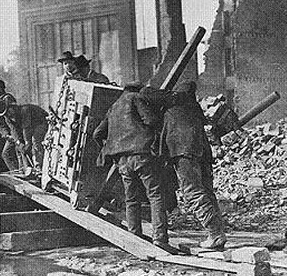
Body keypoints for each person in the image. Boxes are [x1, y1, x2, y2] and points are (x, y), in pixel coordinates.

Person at [92, 82, 177, 253]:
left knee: (131, 199)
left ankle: (134, 236)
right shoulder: (137, 98)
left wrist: (110, 147)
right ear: (137, 90)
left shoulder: (114, 107)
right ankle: (159, 238)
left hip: (122, 161)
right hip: (141, 155)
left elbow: (97, 133)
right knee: (155, 195)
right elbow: (151, 120)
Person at [160, 80, 226, 249]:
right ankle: (218, 232)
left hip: (185, 153)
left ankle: (214, 233)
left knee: (192, 192)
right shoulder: (194, 108)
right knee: (207, 192)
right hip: (202, 153)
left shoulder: (172, 109)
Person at [0, 101, 48, 171]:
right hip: (29, 127)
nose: (8, 114)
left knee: (36, 142)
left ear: (11, 107)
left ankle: (39, 168)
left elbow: (26, 128)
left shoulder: (25, 110)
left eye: (8, 111)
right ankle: (25, 169)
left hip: (41, 122)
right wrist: (19, 143)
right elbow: (14, 131)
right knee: (20, 147)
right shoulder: (8, 117)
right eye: (5, 114)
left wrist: (27, 143)